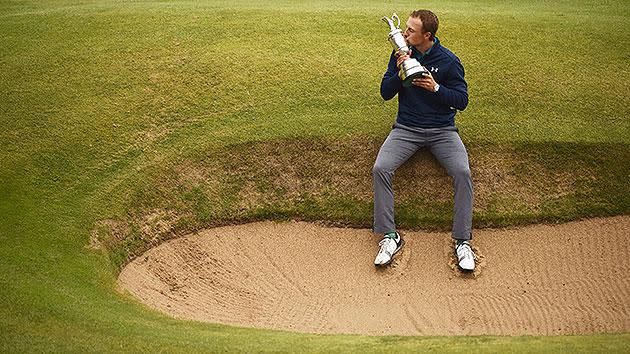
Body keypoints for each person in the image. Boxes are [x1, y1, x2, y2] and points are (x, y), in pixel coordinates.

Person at [372, 9, 475, 271]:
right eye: (405, 29)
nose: (405, 34)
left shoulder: (449, 61)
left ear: (426, 36)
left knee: (462, 172)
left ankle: (462, 241)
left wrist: (436, 88)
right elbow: (385, 93)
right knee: (381, 168)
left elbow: (461, 101)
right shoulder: (400, 53)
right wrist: (399, 71)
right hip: (406, 129)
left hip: (443, 131)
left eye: (410, 31)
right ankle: (389, 237)